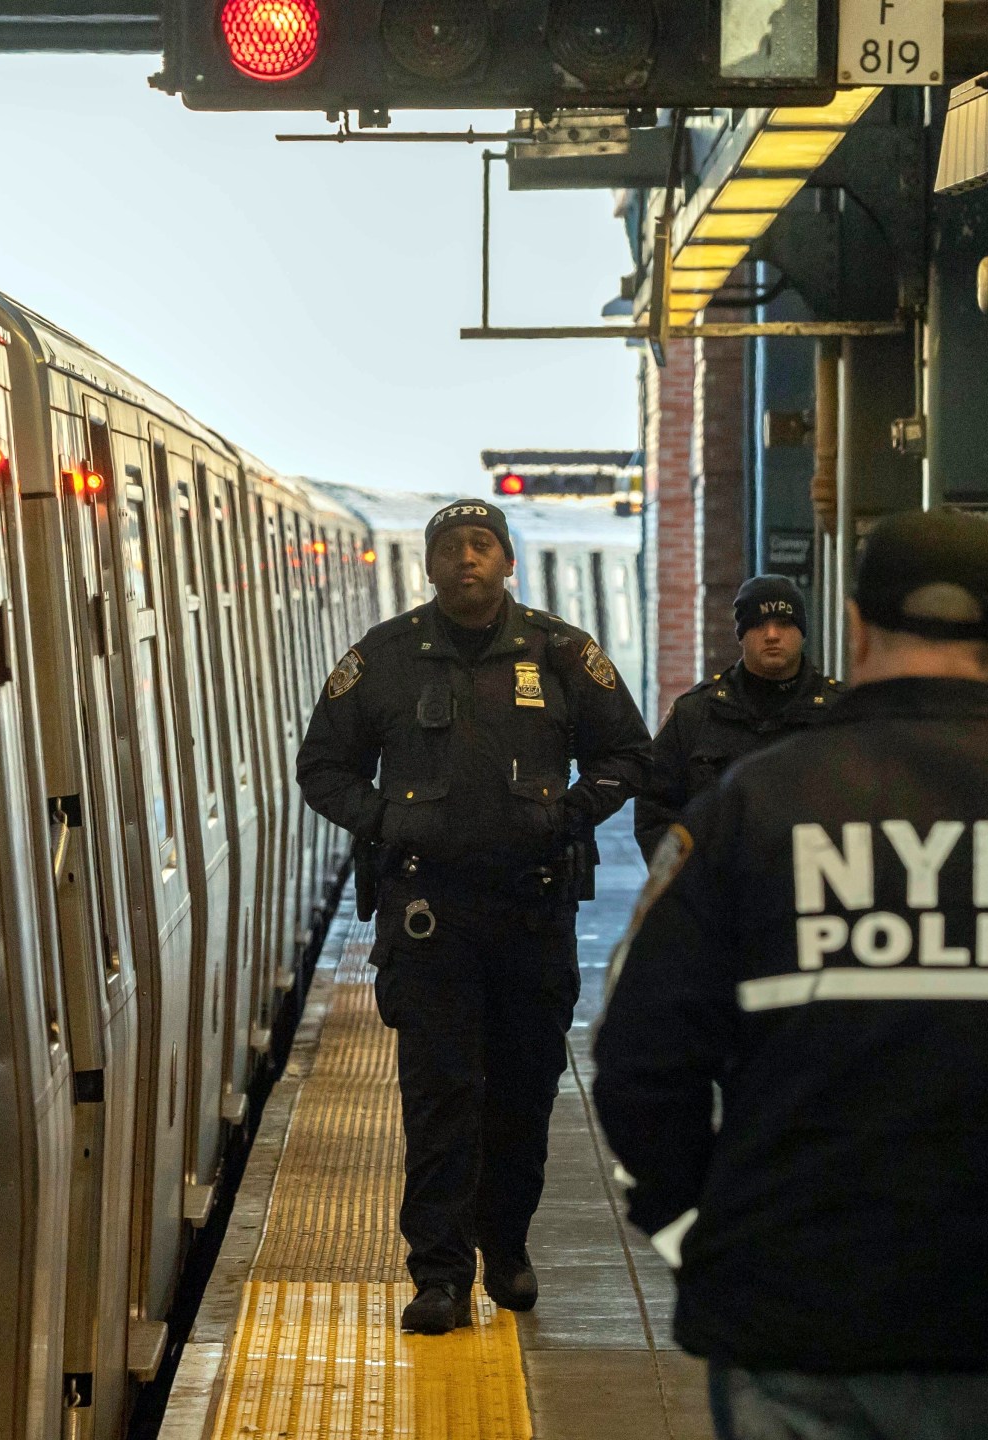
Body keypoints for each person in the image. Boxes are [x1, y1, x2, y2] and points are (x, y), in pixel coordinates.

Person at [595, 509, 988, 1440]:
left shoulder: (756, 808)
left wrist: (698, 1233)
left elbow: (638, 1056)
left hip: (797, 1311)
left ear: (853, 627)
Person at [296, 497, 651, 1335]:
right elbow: (322, 767)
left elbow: (630, 753)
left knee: (524, 1092)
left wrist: (569, 814)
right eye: (450, 547)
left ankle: (508, 1246)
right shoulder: (381, 659)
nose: (466, 559)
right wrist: (385, 820)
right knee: (440, 1095)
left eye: (481, 545)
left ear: (506, 561)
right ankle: (440, 1274)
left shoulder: (563, 655)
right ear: (427, 566)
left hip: (533, 914)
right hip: (429, 915)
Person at [634, 574, 846, 856]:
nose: (772, 635)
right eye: (758, 624)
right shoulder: (697, 713)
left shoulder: (842, 713)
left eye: (784, 623)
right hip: (720, 893)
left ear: (801, 631)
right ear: (741, 634)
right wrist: (692, 886)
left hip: (816, 888)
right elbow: (655, 813)